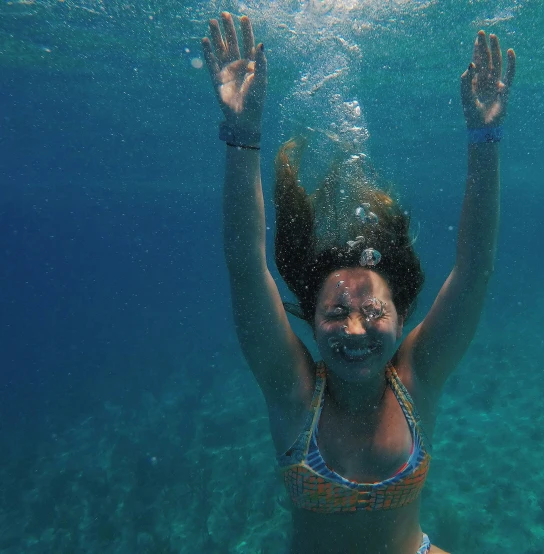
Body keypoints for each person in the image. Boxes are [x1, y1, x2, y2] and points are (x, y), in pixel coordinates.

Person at [202, 11, 515, 554]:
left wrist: (485, 136)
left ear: (402, 316)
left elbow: (474, 266)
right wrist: (242, 133)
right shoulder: (294, 392)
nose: (355, 330)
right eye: (335, 313)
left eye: (374, 313)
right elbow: (245, 263)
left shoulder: (418, 378)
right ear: (309, 317)